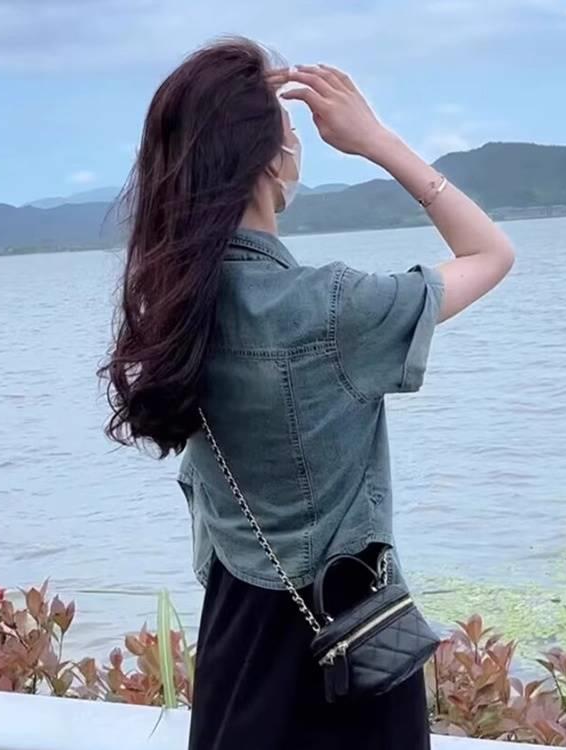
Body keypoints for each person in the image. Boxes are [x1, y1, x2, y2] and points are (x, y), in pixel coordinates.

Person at [100, 37, 514, 750]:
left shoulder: (173, 315)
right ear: (270, 162)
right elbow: (490, 252)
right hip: (353, 649)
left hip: (236, 645)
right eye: (291, 133)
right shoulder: (336, 308)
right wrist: (376, 140)